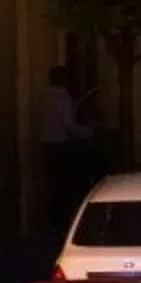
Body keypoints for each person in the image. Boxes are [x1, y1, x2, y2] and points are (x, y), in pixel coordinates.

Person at [39, 64, 95, 221]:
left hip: (47, 145)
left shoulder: (45, 96)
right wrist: (89, 131)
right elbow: (69, 125)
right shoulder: (62, 97)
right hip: (61, 147)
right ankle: (63, 221)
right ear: (64, 79)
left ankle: (53, 220)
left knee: (53, 186)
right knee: (65, 186)